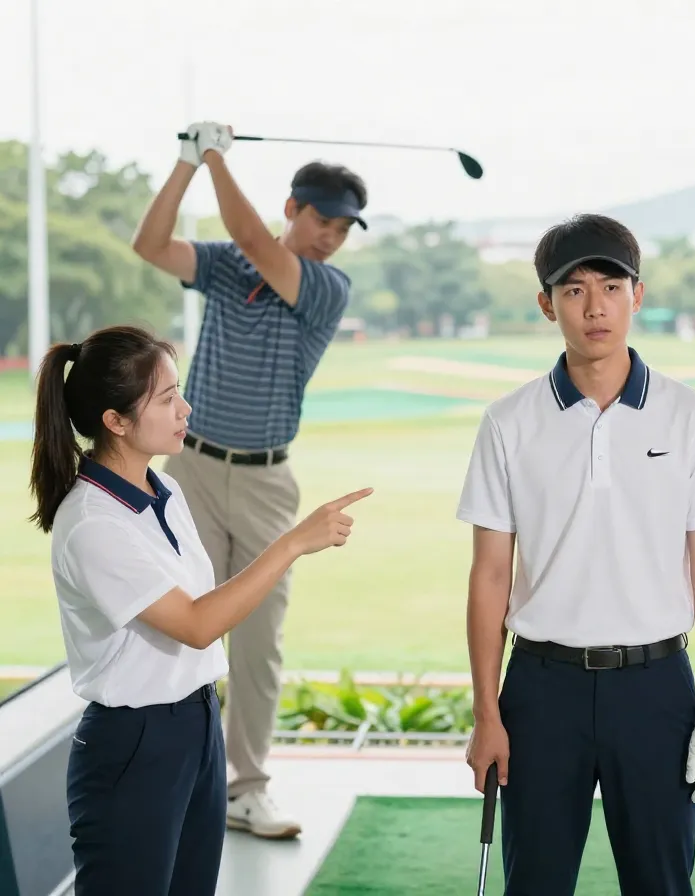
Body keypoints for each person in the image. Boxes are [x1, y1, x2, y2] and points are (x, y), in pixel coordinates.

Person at [457, 213, 695, 895]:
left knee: (661, 883)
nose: (595, 307)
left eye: (611, 287)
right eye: (574, 290)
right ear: (546, 304)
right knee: (535, 883)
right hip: (540, 691)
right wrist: (486, 714)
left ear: (637, 296)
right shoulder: (507, 421)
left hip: (655, 688)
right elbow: (490, 575)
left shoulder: (691, 415)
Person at [28, 325, 371, 895]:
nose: (186, 409)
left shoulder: (164, 491)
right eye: (167, 399)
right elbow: (196, 624)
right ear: (115, 421)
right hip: (134, 743)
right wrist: (291, 543)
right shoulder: (92, 524)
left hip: (197, 724)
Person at [130, 121, 367, 838]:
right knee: (176, 626)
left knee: (257, 640)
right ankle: (173, 779)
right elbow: (151, 243)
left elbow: (258, 243)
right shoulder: (228, 265)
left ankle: (246, 788)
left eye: (343, 229)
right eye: (322, 220)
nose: (330, 237)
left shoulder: (325, 286)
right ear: (292, 207)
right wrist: (185, 162)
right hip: (192, 470)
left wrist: (214, 156)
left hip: (266, 482)